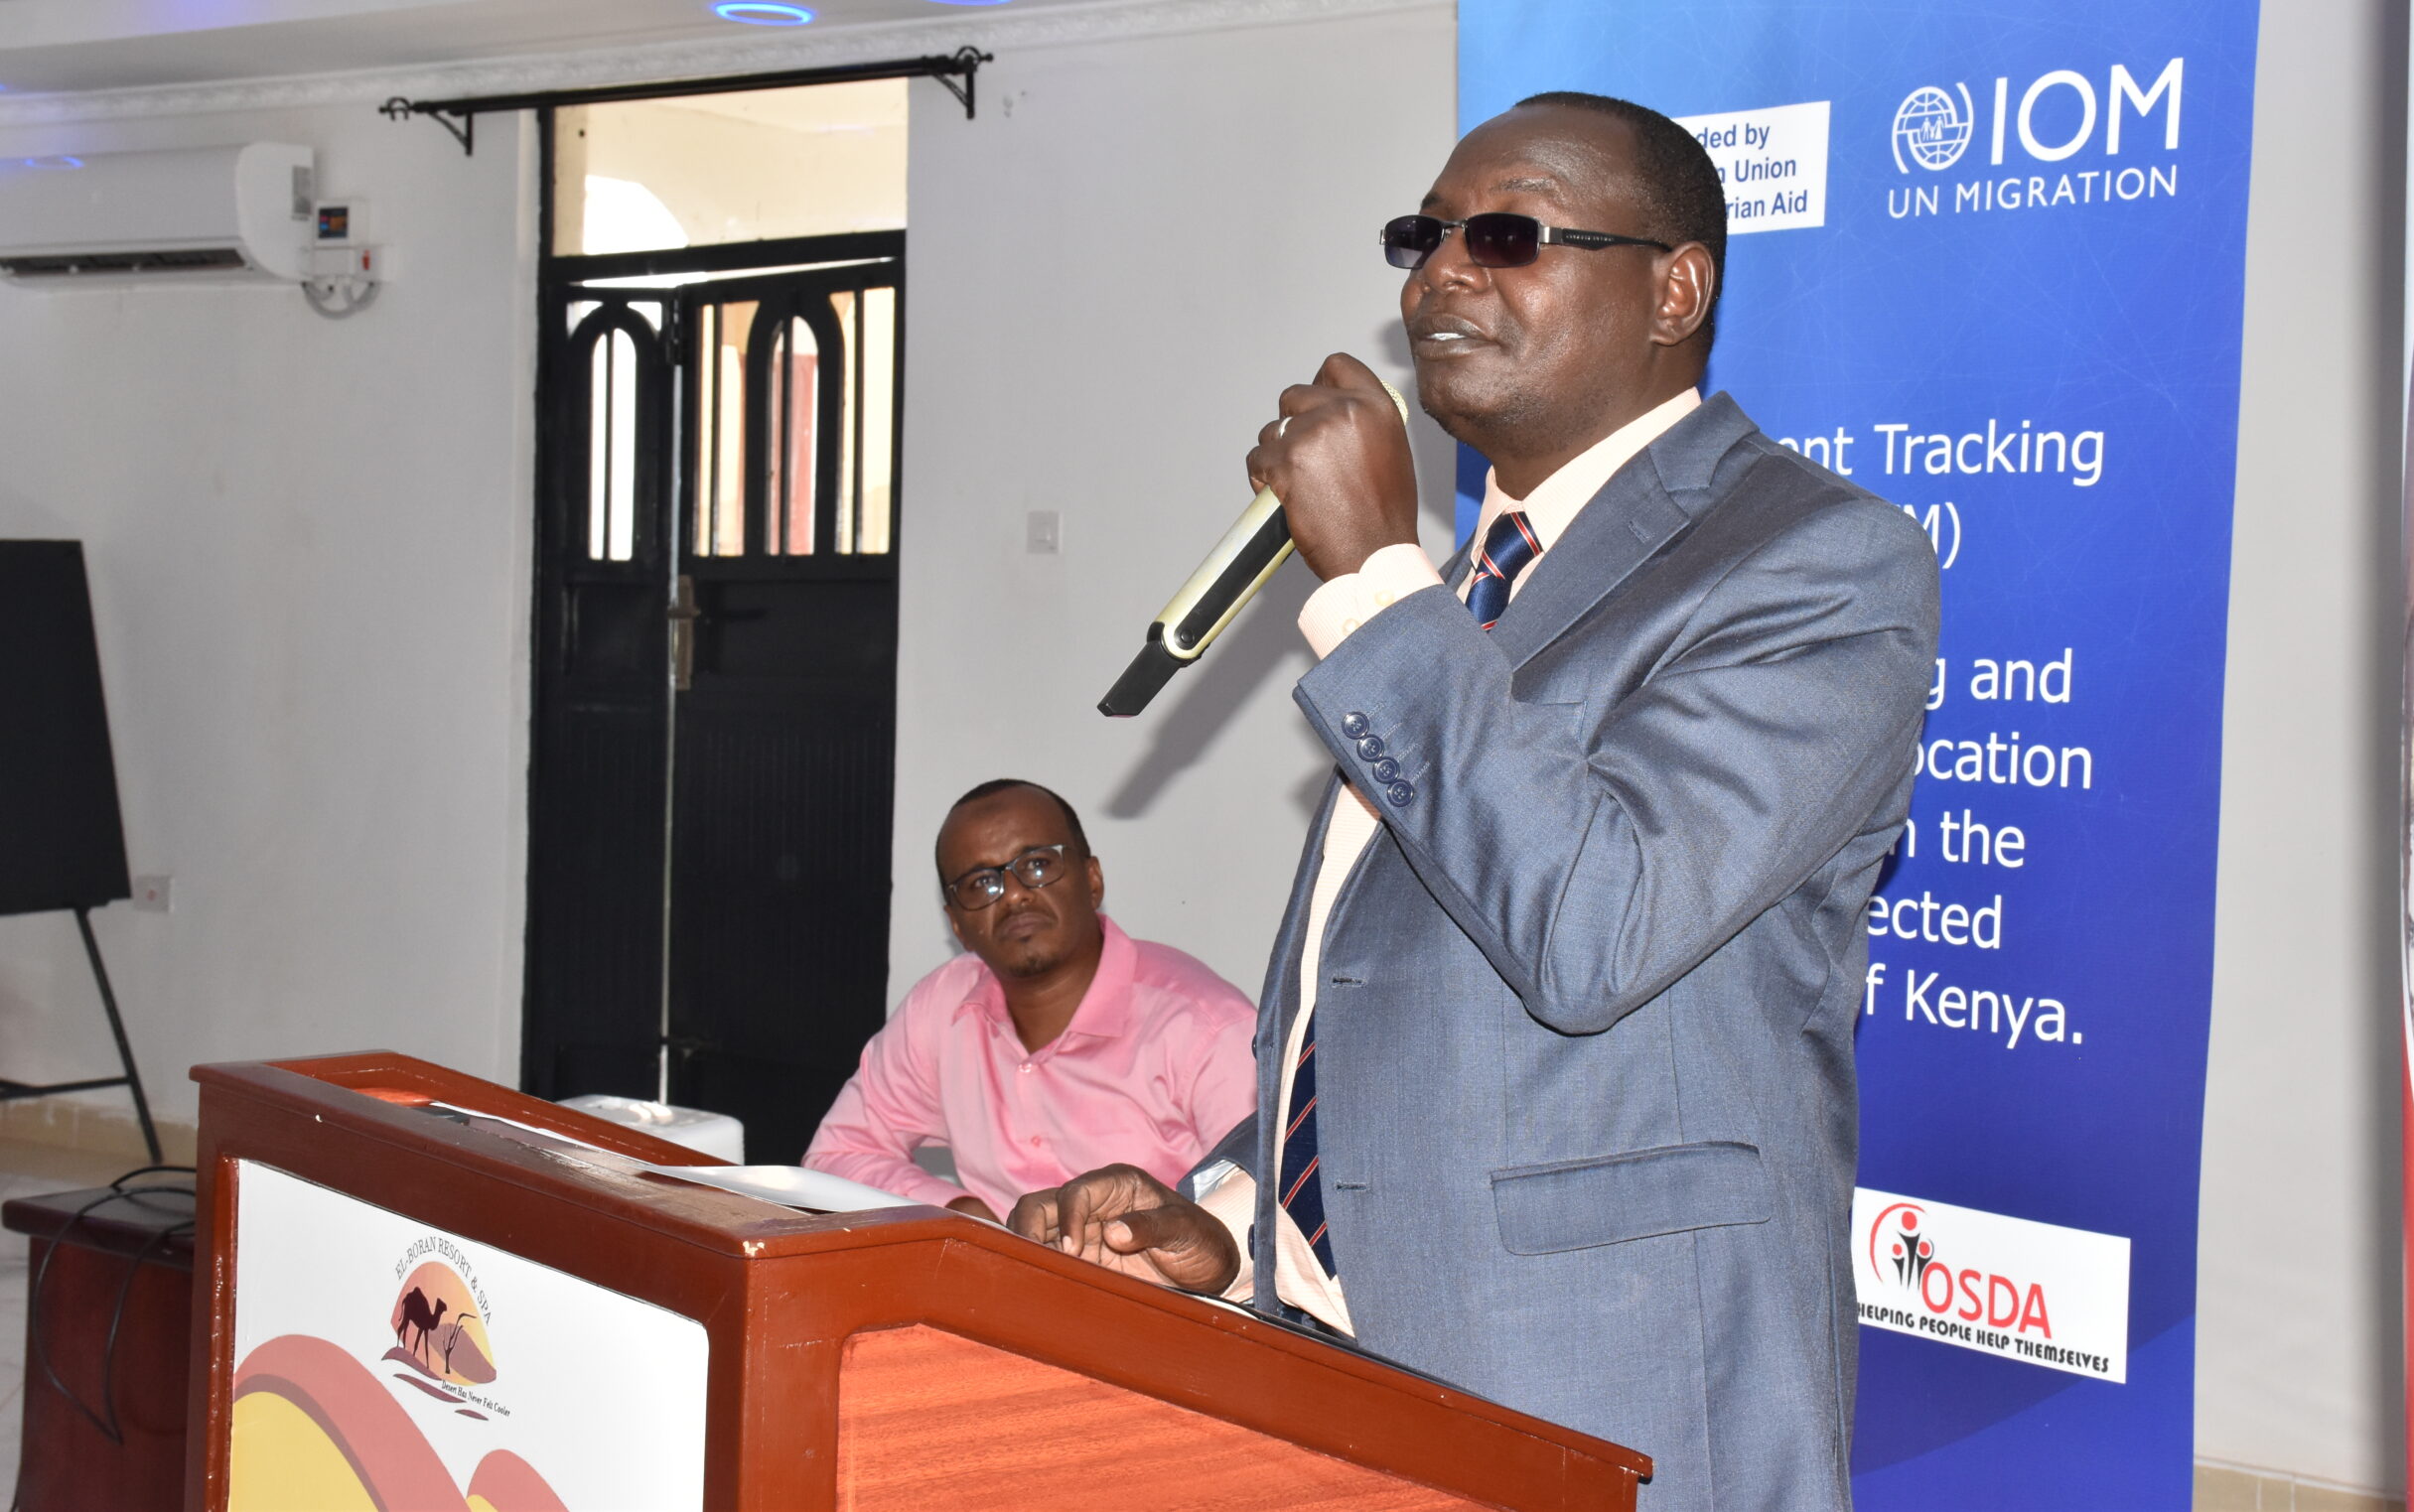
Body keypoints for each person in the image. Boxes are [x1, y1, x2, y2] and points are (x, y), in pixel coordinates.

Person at [1015, 93, 1939, 1512]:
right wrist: (1237, 1222)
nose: (1440, 273)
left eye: (1507, 236)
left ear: (1674, 289)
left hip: (1609, 1393)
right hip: (1348, 1370)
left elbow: (1596, 928)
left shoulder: (1813, 562)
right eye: (1425, 235)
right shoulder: (1467, 591)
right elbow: (1390, 992)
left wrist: (1374, 577)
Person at [802, 777, 1256, 1222]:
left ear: (1092, 880)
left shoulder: (1208, 1029)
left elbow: (1265, 1219)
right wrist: (956, 1214)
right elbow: (836, 1156)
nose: (1014, 895)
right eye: (980, 883)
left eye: (1037, 865)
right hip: (990, 1270)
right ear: (958, 925)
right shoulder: (942, 1008)